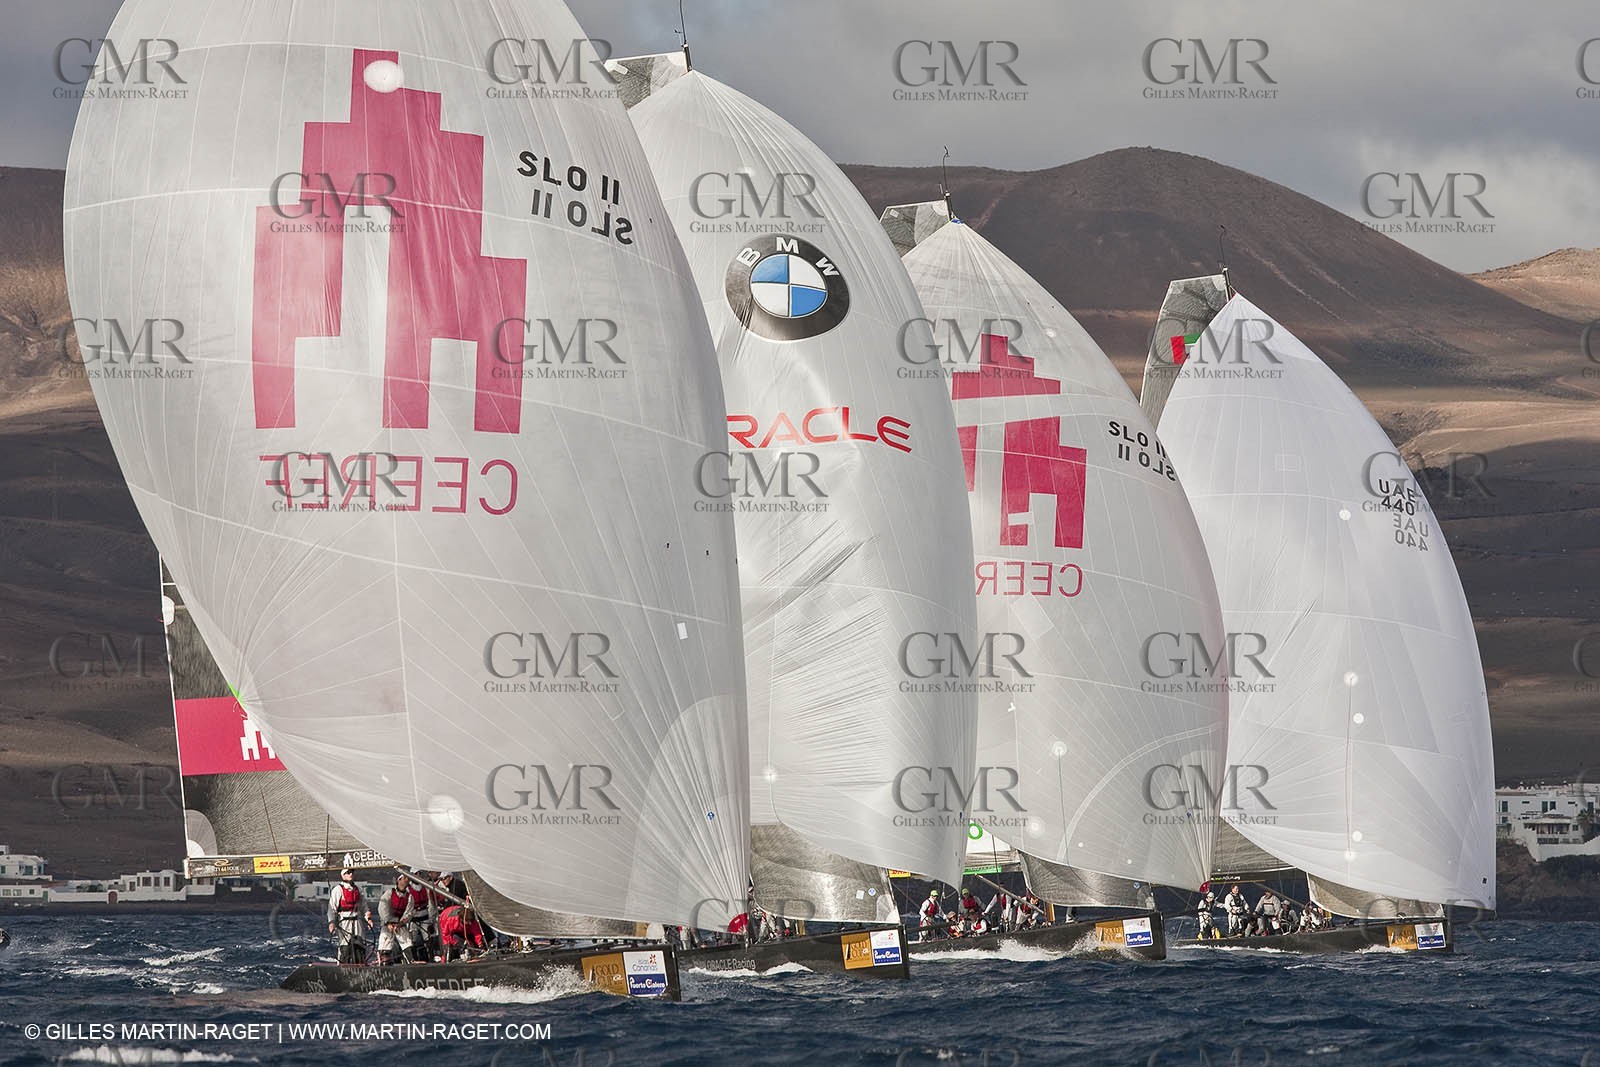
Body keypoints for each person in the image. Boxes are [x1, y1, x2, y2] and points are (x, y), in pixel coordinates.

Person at [377, 873, 425, 964]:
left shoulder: (409, 897)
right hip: (388, 924)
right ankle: (383, 962)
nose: (406, 880)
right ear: (398, 881)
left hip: (400, 924)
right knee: (385, 943)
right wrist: (388, 922)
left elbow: (409, 912)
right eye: (404, 878)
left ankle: (410, 961)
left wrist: (401, 923)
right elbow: (383, 907)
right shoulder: (389, 893)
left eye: (407, 879)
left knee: (407, 943)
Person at [326, 868, 371, 964]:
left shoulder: (358, 889)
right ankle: (343, 965)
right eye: (348, 873)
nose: (350, 874)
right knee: (345, 948)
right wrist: (331, 922)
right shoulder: (337, 890)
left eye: (351, 872)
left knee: (360, 946)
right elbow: (332, 908)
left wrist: (368, 918)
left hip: (357, 921)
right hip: (344, 922)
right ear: (343, 875)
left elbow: (364, 906)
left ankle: (360, 965)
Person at [437, 898, 487, 962]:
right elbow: (445, 935)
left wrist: (480, 944)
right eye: (468, 921)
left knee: (471, 943)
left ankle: (471, 957)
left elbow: (477, 933)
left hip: (462, 928)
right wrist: (455, 943)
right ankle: (445, 961)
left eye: (471, 921)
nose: (470, 923)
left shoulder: (472, 921)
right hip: (444, 920)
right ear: (462, 919)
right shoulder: (451, 920)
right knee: (447, 947)